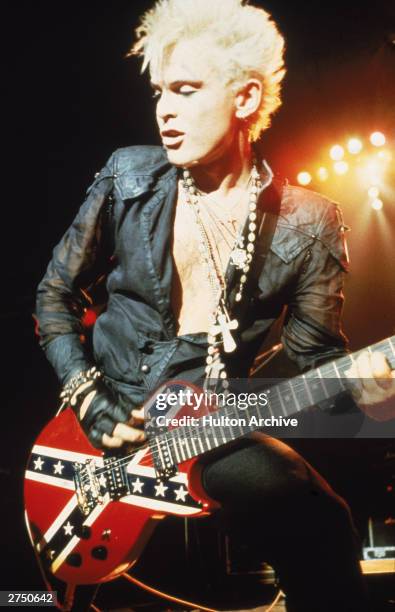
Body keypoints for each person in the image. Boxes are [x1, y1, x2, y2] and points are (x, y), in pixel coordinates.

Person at [36, 1, 395, 609]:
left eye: (186, 90)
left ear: (246, 98)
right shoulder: (127, 177)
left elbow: (308, 365)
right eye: (159, 92)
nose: (164, 110)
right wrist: (88, 395)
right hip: (97, 425)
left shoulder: (310, 224)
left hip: (208, 425)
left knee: (319, 521)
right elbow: (55, 297)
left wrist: (360, 388)